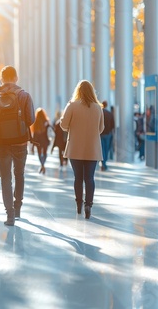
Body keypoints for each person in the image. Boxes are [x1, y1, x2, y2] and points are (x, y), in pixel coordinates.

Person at [0, 66, 35, 226]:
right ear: (16, 78)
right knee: (19, 174)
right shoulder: (24, 96)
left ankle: (10, 215)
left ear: (1, 79)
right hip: (20, 141)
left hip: (1, 143)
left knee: (6, 178)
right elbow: (31, 119)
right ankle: (18, 206)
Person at [60, 80, 104, 219]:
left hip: (75, 148)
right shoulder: (98, 108)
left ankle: (78, 204)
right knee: (89, 178)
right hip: (92, 148)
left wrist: (71, 127)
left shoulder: (72, 106)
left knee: (78, 178)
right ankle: (88, 205)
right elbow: (101, 128)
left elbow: (63, 124)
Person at [31, 107, 52, 174]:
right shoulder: (46, 121)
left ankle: (42, 165)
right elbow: (51, 130)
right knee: (45, 153)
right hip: (45, 140)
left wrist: (33, 145)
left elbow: (34, 133)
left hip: (38, 141)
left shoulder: (35, 122)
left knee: (39, 153)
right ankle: (43, 164)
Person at [100, 100, 115, 171]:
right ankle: (104, 162)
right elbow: (113, 125)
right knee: (106, 148)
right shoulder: (110, 114)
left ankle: (103, 163)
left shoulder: (99, 113)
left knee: (102, 148)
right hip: (108, 134)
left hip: (101, 134)